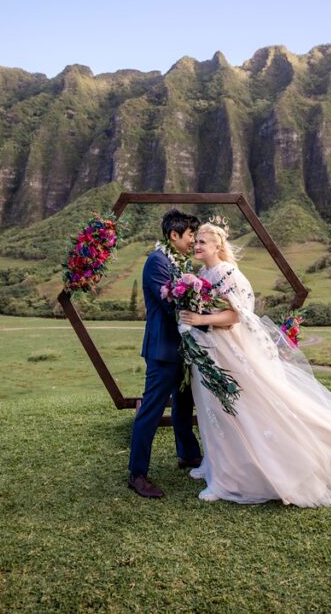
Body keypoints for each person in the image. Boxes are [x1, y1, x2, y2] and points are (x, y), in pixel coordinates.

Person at [177, 220, 331, 506]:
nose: (196, 246)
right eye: (195, 242)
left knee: (238, 407)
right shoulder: (203, 273)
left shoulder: (227, 273)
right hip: (209, 349)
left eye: (202, 242)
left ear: (217, 245)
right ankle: (217, 467)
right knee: (214, 409)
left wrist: (201, 319)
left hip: (230, 350)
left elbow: (237, 316)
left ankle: (234, 477)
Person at [128, 208, 203, 498]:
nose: (193, 241)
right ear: (174, 235)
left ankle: (188, 453)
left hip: (181, 348)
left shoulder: (178, 260)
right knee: (151, 410)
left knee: (184, 404)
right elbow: (172, 304)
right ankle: (137, 474)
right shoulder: (157, 262)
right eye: (190, 235)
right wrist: (204, 307)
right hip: (163, 349)